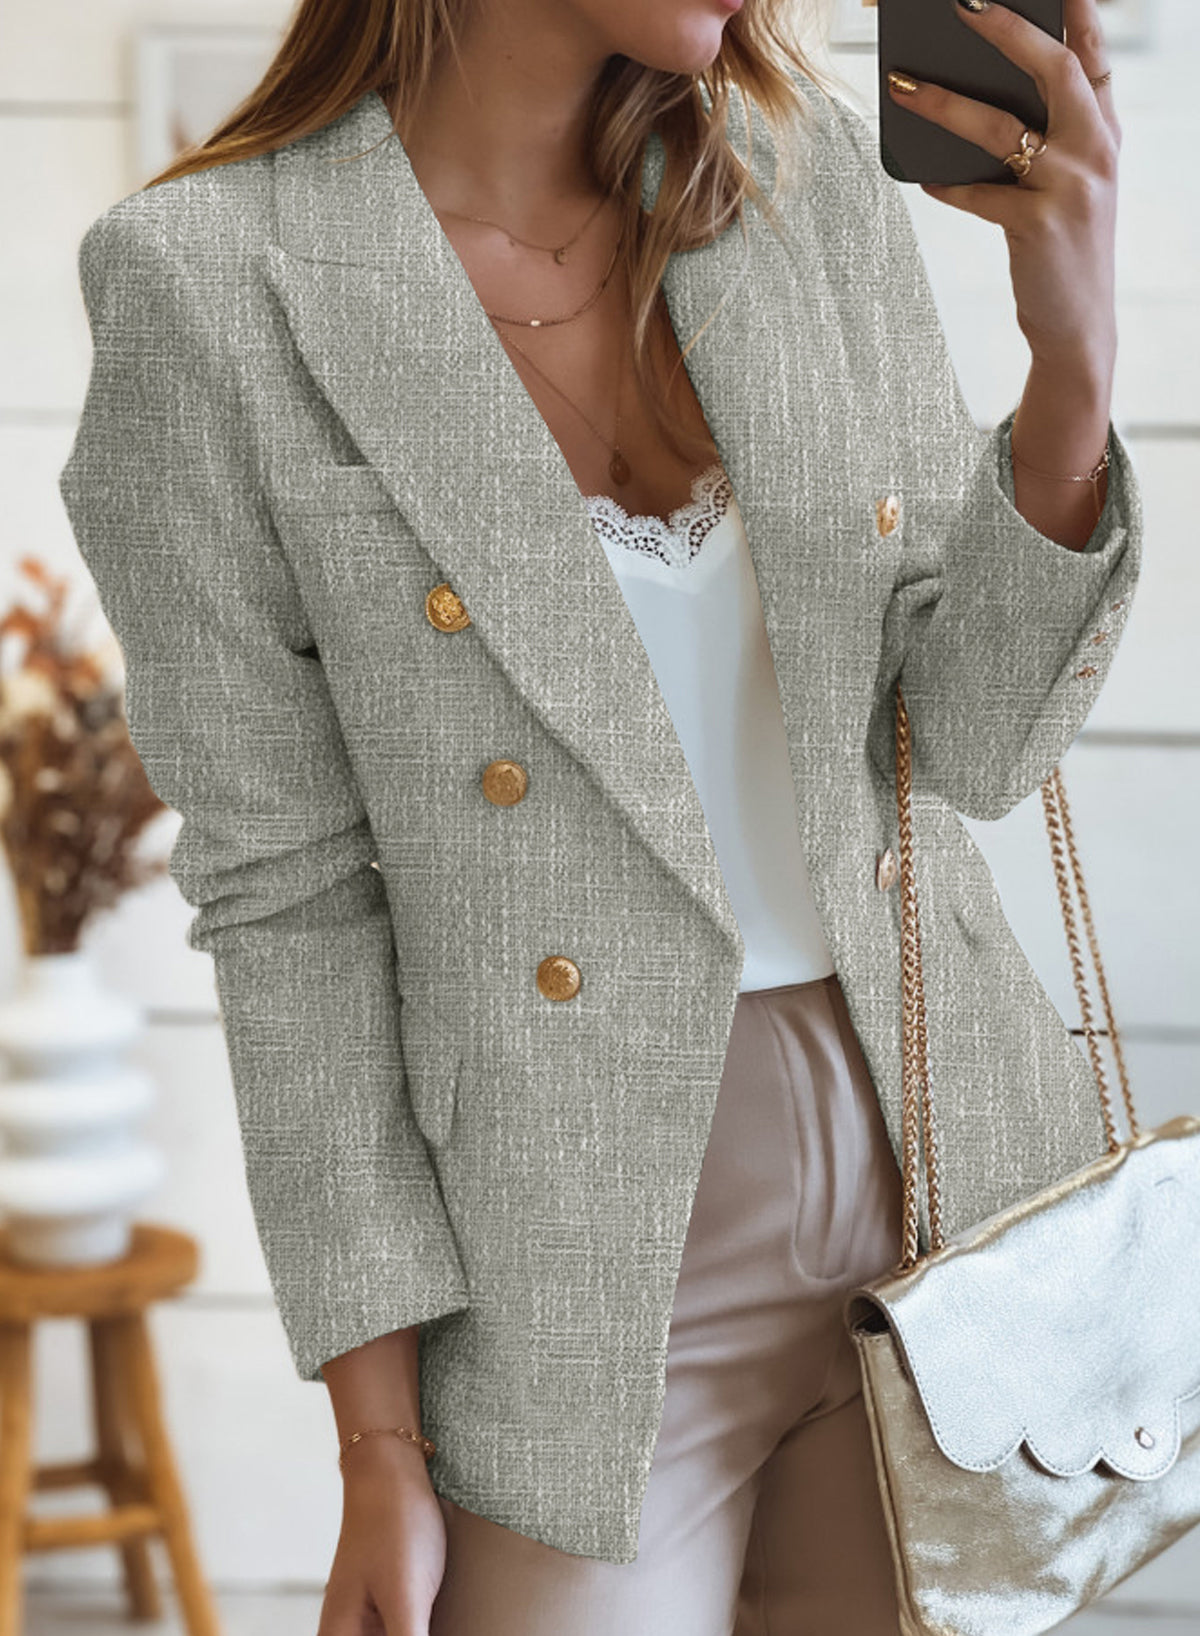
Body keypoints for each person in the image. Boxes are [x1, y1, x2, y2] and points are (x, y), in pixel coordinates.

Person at [58, 0, 1141, 1630]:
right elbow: (289, 901)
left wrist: (1071, 366)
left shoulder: (797, 182)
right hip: (567, 1253)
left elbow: (974, 746)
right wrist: (378, 1444)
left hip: (940, 1180)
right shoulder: (210, 281)